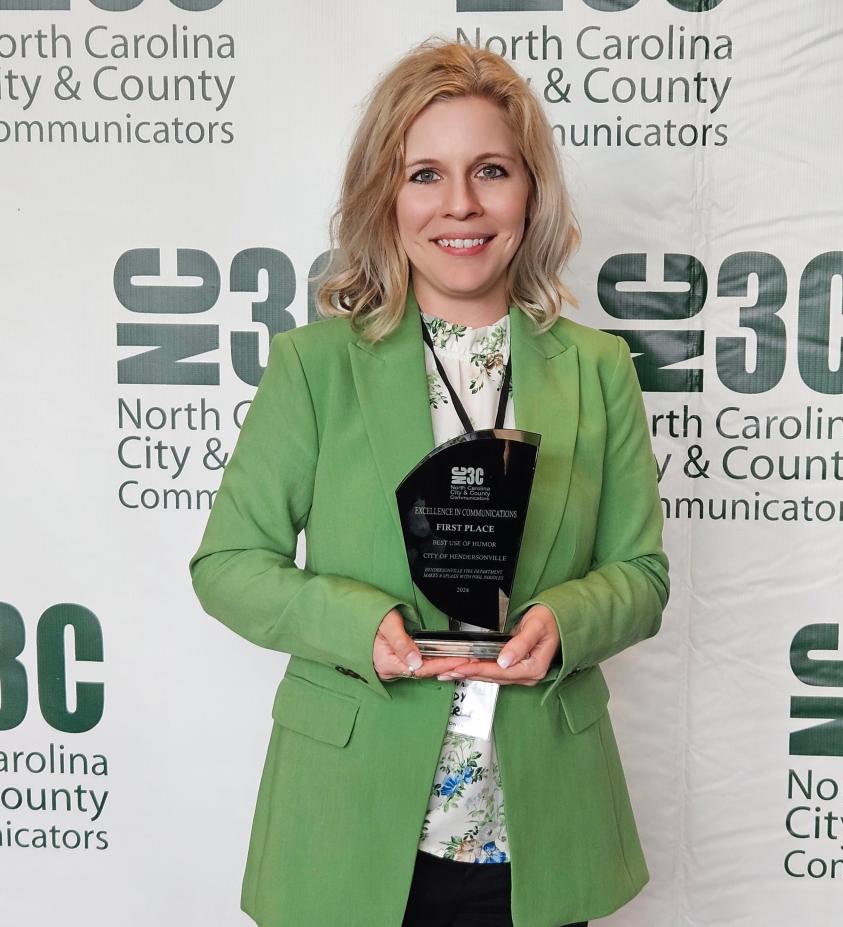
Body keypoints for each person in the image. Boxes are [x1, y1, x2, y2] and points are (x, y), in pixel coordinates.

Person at [189, 36, 669, 927]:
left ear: (531, 190)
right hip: (349, 819)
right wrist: (356, 623)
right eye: (425, 175)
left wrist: (563, 623)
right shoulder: (314, 367)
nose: (460, 204)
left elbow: (641, 577)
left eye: (491, 169)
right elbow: (228, 562)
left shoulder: (598, 368)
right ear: (386, 194)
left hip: (535, 833)